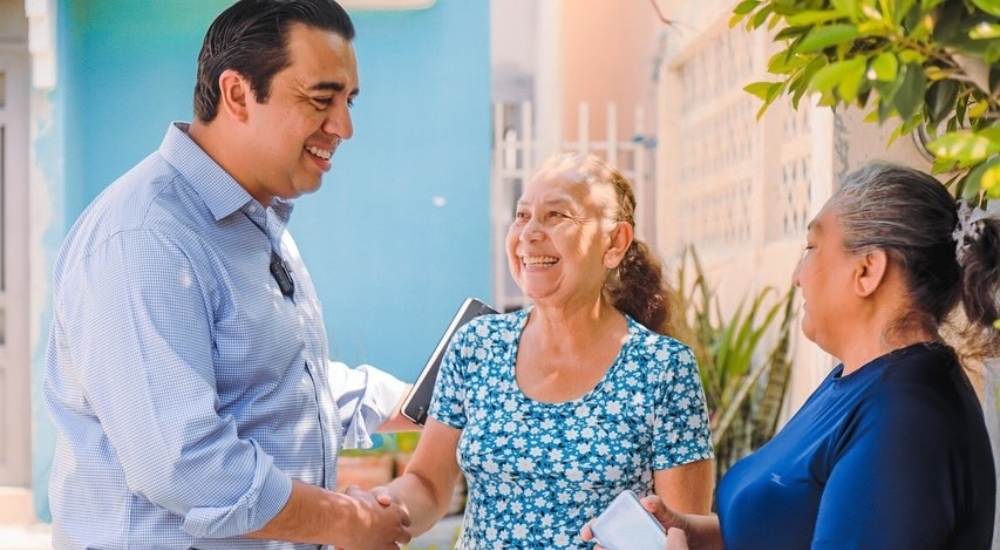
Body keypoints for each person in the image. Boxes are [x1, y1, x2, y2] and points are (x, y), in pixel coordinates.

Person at [43, 1, 414, 548]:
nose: (344, 127)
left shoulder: (254, 223)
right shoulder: (146, 238)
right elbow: (185, 464)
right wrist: (346, 521)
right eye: (321, 99)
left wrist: (431, 398)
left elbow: (283, 387)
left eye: (348, 102)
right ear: (237, 94)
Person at [584, 162, 999, 549]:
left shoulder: (907, 419)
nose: (798, 276)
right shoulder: (860, 381)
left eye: (812, 246)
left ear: (868, 271)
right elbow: (789, 525)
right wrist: (690, 534)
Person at [378, 153, 715, 548]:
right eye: (522, 215)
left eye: (557, 215)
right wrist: (383, 507)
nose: (529, 233)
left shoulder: (663, 369)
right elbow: (428, 486)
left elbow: (681, 534)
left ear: (614, 242)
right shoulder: (477, 345)